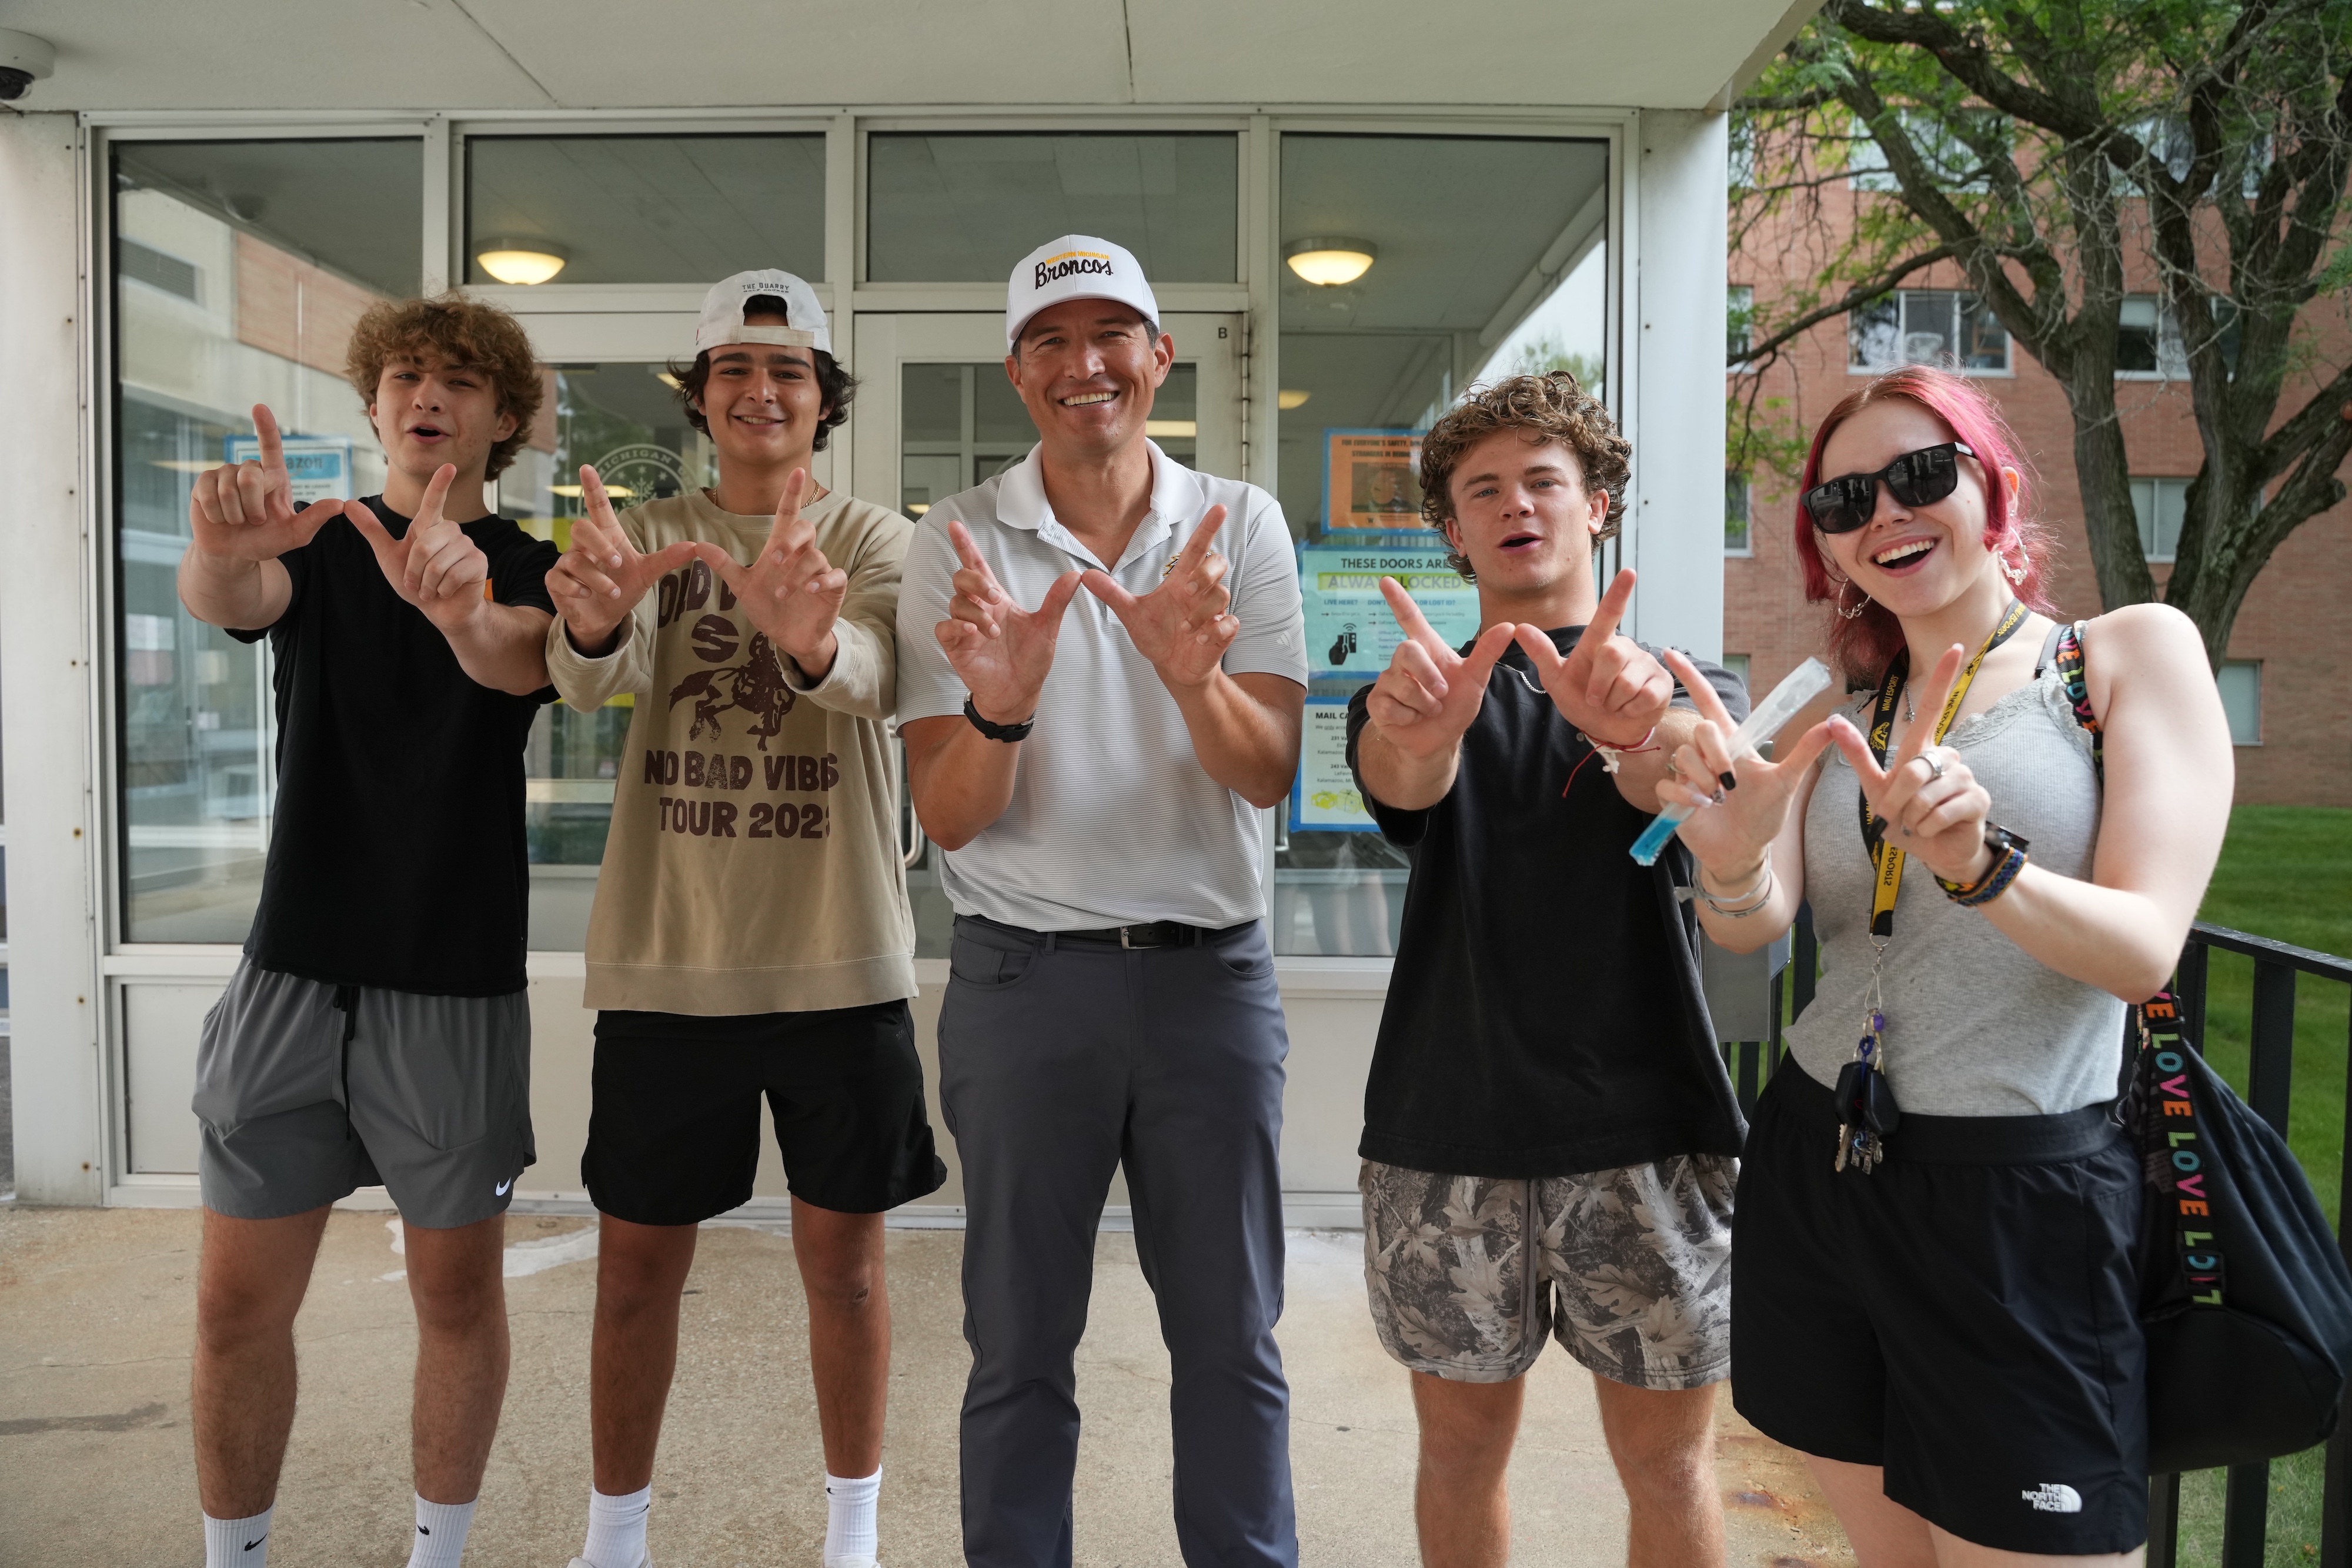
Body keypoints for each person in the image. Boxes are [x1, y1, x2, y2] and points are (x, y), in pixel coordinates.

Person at [1666, 365, 2234, 1564]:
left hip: (2015, 1194)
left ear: (1998, 488)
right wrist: (1721, 862)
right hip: (1820, 1165)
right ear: (1823, 547)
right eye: (1843, 500)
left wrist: (1986, 864)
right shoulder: (1848, 709)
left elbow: (2143, 947)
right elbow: (1755, 924)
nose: (1884, 513)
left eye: (1921, 476)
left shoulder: (2117, 657)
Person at [893, 234, 1307, 1568]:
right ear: (1018, 371)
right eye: (1053, 343)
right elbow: (948, 814)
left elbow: (1268, 770)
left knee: (1229, 1333)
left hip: (1208, 981)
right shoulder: (950, 544)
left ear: (1157, 356)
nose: (1087, 366)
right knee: (1016, 1335)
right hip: (1024, 984)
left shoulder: (1238, 521)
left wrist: (1191, 677)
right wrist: (999, 710)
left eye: (1111, 335)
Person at [542, 270, 946, 1568]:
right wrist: (596, 617)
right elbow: (588, 674)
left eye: (787, 372)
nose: (760, 391)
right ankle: (615, 1534)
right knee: (632, 1273)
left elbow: (877, 680)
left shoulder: (879, 539)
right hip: (671, 961)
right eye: (733, 370)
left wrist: (812, 642)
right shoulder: (644, 528)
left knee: (845, 1269)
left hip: (840, 961)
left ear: (823, 400)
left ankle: (853, 1530)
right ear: (702, 396)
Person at [178, 293, 559, 1568]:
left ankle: (434, 1552)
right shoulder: (326, 544)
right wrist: (224, 544)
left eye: (457, 379)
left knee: (454, 1295)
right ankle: (234, 1552)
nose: (424, 395)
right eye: (402, 375)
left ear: (503, 416)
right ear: (376, 400)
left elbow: (520, 658)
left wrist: (458, 607)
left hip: (449, 984)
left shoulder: (533, 562)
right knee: (236, 1305)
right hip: (291, 972)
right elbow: (231, 593)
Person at [1347, 372, 1750, 1568]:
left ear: (1598, 505)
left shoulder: (1683, 684)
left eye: (1542, 480)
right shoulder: (1426, 685)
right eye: (1482, 489)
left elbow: (1680, 772)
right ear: (1452, 530)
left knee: (1669, 1464)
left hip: (1647, 1133)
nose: (1514, 505)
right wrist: (1407, 732)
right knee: (1458, 1453)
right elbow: (1399, 773)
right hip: (1443, 1132)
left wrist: (1635, 731)